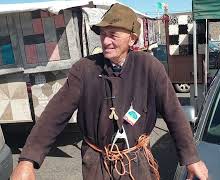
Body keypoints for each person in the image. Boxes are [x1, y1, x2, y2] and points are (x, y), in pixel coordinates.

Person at [10, 3, 208, 180]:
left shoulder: (149, 67)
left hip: (137, 164)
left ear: (132, 39)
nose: (105, 41)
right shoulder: (84, 69)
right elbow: (54, 115)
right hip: (96, 164)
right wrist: (27, 160)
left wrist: (191, 158)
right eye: (103, 34)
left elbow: (174, 114)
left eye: (113, 35)